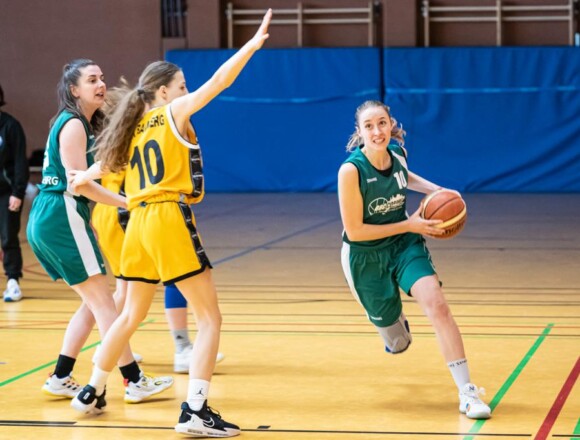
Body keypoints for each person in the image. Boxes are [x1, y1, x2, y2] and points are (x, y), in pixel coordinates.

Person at [69, 10, 272, 437]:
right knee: (210, 318)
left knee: (128, 315)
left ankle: (91, 389)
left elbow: (104, 165)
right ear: (164, 91)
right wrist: (250, 47)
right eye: (181, 86)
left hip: (136, 224)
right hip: (164, 217)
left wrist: (84, 176)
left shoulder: (133, 124)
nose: (186, 91)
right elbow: (220, 81)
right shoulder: (171, 112)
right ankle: (195, 411)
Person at [26, 59, 173, 409]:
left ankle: (61, 375)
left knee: (92, 305)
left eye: (102, 78)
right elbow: (81, 185)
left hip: (52, 215)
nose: (100, 84)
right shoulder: (74, 124)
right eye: (91, 80)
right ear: (74, 89)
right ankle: (133, 380)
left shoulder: (78, 123)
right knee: (106, 305)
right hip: (62, 213)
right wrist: (127, 202)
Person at [337, 100, 491, 420]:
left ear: (391, 125)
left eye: (382, 123)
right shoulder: (351, 171)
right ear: (360, 132)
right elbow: (355, 231)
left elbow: (404, 175)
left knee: (437, 304)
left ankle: (467, 392)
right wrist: (411, 223)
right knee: (397, 342)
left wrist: (437, 191)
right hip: (365, 257)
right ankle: (395, 332)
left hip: (404, 245)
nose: (378, 131)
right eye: (369, 126)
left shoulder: (398, 154)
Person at [0, 84, 29, 302]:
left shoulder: (10, 126)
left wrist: (18, 192)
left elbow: (20, 162)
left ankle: (13, 282)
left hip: (6, 193)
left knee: (9, 237)